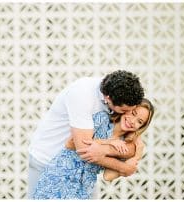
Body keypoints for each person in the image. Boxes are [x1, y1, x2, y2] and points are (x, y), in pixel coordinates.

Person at [28, 70, 145, 198]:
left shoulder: (121, 95)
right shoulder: (82, 94)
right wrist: (124, 168)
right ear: (108, 98)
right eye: (124, 110)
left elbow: (132, 145)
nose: (128, 115)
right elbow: (85, 149)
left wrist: (135, 151)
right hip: (48, 161)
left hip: (84, 173)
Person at [32, 98, 154, 199]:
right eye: (133, 113)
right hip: (59, 177)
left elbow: (108, 176)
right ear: (127, 108)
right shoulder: (102, 119)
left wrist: (136, 156)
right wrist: (109, 143)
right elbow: (71, 143)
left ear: (140, 127)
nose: (133, 121)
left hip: (84, 188)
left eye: (139, 121)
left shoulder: (124, 144)